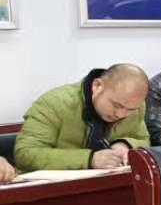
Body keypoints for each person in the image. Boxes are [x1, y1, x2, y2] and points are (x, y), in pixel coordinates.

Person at [15, 63, 150, 171]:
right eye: (116, 105)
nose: (120, 114)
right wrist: (90, 159)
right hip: (53, 189)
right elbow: (25, 154)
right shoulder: (54, 103)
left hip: (108, 185)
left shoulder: (135, 105)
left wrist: (124, 144)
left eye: (130, 110)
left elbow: (143, 140)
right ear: (97, 86)